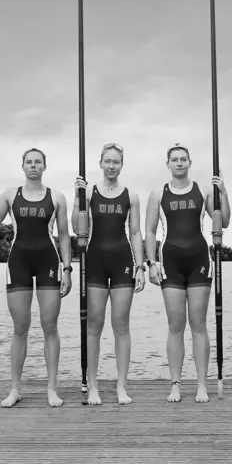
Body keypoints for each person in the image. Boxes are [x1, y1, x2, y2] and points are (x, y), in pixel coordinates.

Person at [0, 147, 72, 408]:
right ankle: (15, 389)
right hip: (19, 261)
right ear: (23, 166)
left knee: (50, 325)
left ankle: (52, 388)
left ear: (45, 166)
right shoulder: (11, 194)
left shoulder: (57, 196)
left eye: (38, 162)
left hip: (49, 262)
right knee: (20, 326)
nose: (33, 165)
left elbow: (65, 235)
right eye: (29, 162)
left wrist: (67, 269)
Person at [145, 143, 230, 403]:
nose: (179, 163)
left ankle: (202, 385)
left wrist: (223, 192)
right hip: (170, 260)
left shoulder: (203, 191)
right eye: (175, 159)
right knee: (175, 325)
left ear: (190, 163)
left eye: (184, 159)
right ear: (168, 164)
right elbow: (149, 231)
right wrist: (151, 263)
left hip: (199, 260)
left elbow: (223, 222)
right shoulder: (158, 193)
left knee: (199, 324)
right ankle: (175, 384)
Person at [72, 143, 145, 406]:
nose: (112, 166)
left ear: (121, 165)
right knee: (94, 325)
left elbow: (135, 233)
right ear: (100, 163)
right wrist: (77, 197)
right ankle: (92, 386)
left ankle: (121, 386)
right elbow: (77, 227)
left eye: (116, 162)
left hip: (123, 260)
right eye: (107, 161)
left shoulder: (131, 196)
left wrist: (140, 266)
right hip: (96, 261)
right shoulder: (89, 194)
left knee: (121, 325)